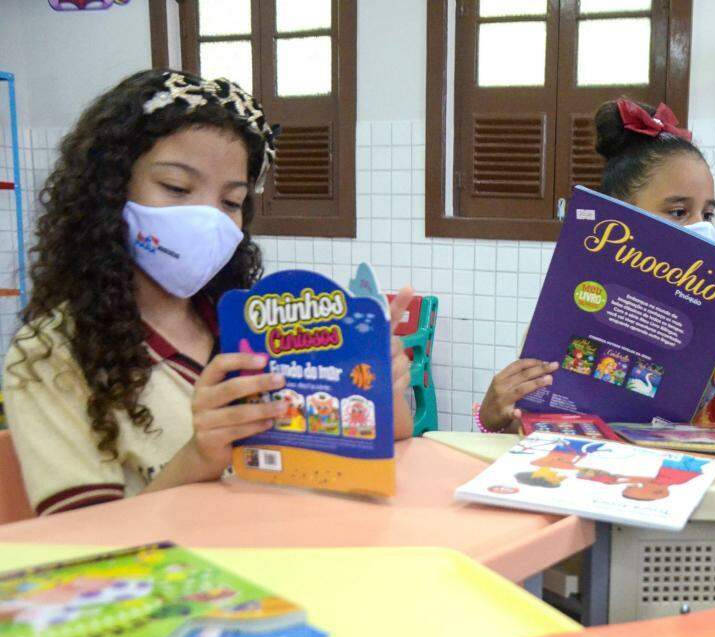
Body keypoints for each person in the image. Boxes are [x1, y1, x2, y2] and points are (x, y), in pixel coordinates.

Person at [5, 70, 413, 516]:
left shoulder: (249, 325)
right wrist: (199, 457)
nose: (207, 218)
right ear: (108, 191)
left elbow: (375, 444)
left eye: (231, 202)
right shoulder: (49, 355)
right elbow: (79, 545)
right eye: (177, 188)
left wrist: (377, 385)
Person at [475, 98, 715, 432]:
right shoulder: (565, 317)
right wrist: (495, 414)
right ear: (621, 214)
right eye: (678, 211)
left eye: (708, 212)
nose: (701, 225)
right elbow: (529, 425)